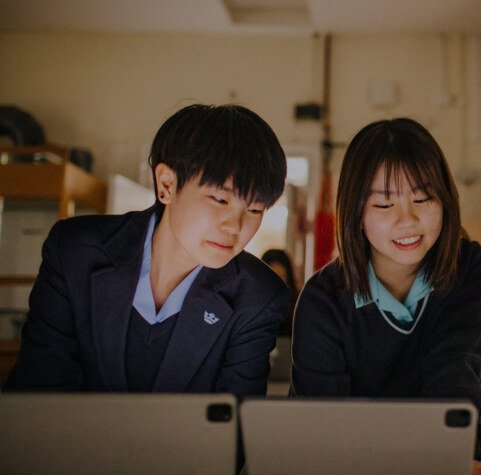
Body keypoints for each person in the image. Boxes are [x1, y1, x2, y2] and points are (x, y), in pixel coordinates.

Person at [4, 104, 289, 399]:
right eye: (220, 199)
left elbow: (233, 423)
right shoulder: (76, 252)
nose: (236, 227)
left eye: (255, 209)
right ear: (167, 183)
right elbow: (41, 396)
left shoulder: (257, 296)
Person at [290, 117, 481, 469]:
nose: (407, 220)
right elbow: (322, 430)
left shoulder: (466, 267)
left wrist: (452, 458)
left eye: (424, 198)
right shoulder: (323, 301)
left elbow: (453, 372)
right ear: (356, 213)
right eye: (384, 205)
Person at [261, 248, 299, 336]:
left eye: (281, 278)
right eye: (270, 279)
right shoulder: (252, 308)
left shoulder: (297, 307)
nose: (275, 285)